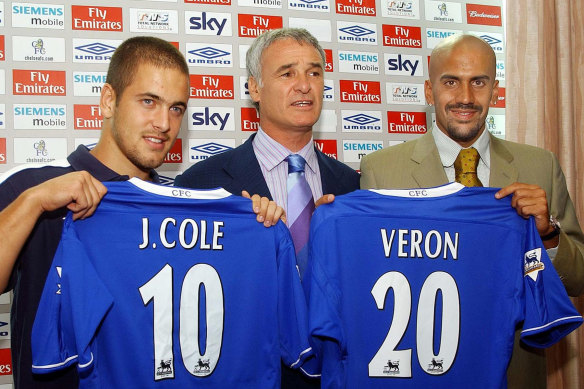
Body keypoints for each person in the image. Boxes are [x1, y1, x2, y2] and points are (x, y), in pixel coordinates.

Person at [0, 36, 282, 389]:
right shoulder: (34, 185)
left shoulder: (187, 204)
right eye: (148, 101)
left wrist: (258, 224)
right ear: (108, 101)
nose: (163, 123)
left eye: (176, 108)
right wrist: (33, 202)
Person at [360, 34, 584, 388]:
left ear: (494, 91)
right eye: (451, 82)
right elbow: (370, 282)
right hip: (420, 371)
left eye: (478, 82)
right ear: (429, 92)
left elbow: (577, 279)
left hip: (516, 373)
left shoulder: (539, 165)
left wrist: (549, 234)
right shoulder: (381, 171)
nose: (465, 97)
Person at [175, 27, 360, 388]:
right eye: (287, 72)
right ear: (254, 89)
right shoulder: (203, 183)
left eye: (314, 72)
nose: (304, 85)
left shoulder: (352, 187)